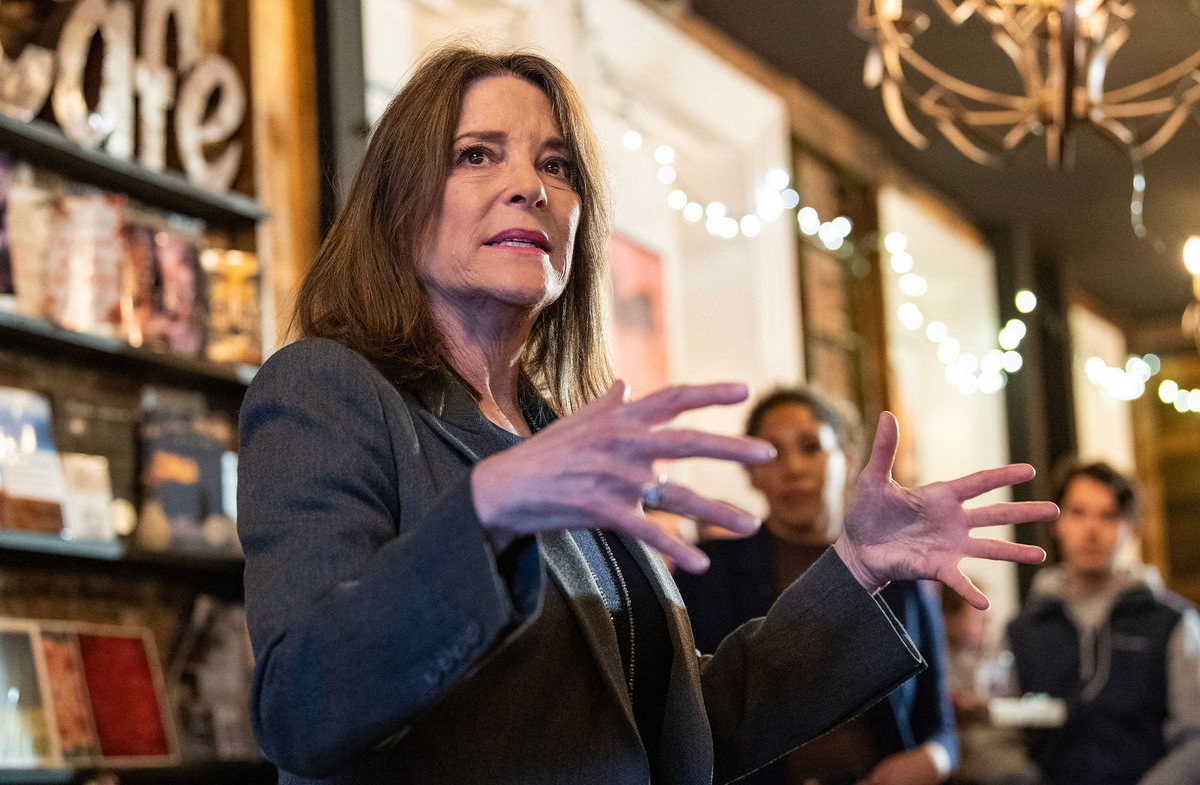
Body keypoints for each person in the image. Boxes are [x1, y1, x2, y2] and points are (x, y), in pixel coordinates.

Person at [237, 44, 1055, 784]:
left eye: (556, 165)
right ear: (397, 203)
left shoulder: (566, 438)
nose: (530, 184)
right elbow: (302, 710)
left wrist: (858, 569)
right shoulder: (327, 390)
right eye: (477, 155)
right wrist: (486, 512)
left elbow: (685, 733)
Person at [675, 387, 958, 785]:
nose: (792, 468)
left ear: (847, 457)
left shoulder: (899, 572)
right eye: (772, 453)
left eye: (810, 447)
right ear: (752, 472)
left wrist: (933, 760)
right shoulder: (706, 571)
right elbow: (686, 720)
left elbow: (940, 725)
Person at [1004, 461, 1200, 785]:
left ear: (1131, 528)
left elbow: (1195, 738)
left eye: (1108, 515)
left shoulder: (1174, 624)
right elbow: (998, 736)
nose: (1091, 529)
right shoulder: (1022, 631)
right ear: (1057, 523)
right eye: (1078, 512)